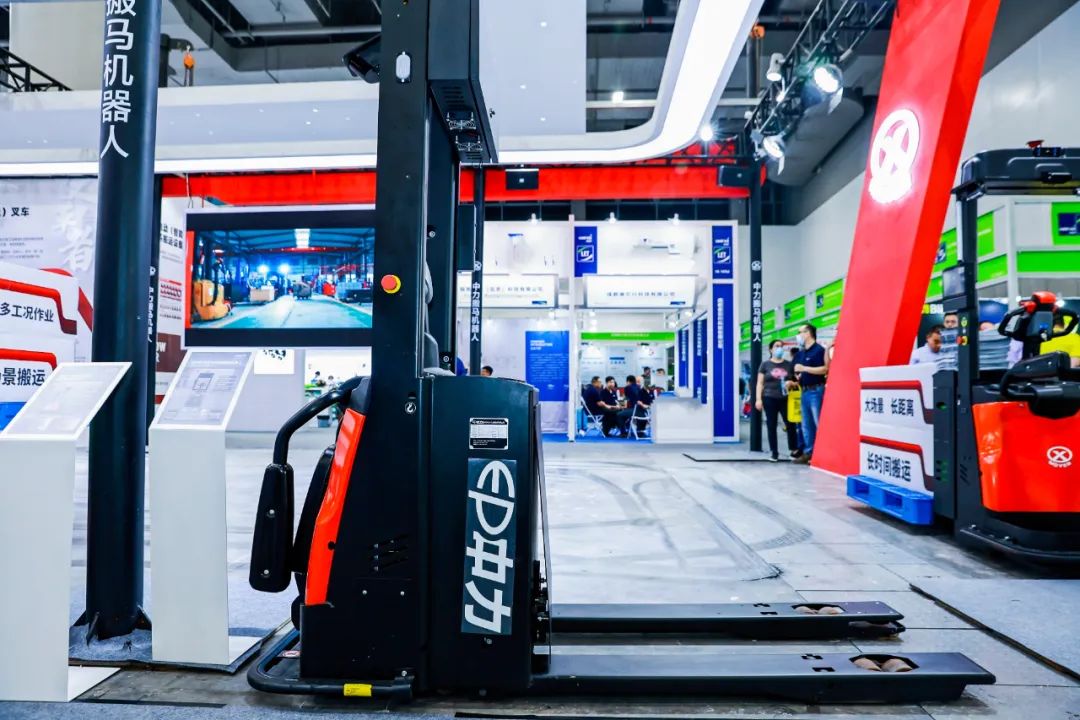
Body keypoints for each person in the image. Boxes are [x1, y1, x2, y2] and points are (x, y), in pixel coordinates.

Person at [792, 323, 828, 464]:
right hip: (804, 391)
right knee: (806, 425)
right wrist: (797, 376)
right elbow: (798, 371)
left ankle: (823, 453)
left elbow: (825, 369)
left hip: (816, 391)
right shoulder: (802, 353)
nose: (798, 335)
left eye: (800, 332)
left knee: (818, 422)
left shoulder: (819, 350)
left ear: (808, 333)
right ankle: (809, 452)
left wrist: (805, 368)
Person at [756, 340, 797, 462]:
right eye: (777, 346)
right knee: (771, 425)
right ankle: (774, 452)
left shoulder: (789, 365)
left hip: (786, 399)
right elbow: (759, 383)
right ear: (771, 349)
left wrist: (792, 383)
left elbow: (796, 381)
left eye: (781, 346)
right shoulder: (765, 365)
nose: (779, 348)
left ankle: (793, 450)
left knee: (790, 424)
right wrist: (758, 399)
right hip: (769, 398)